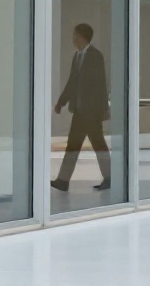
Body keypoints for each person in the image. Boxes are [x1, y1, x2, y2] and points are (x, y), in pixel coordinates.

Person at [52, 23, 112, 192]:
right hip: (79, 111)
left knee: (98, 144)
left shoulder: (95, 56)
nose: (73, 39)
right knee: (73, 145)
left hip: (91, 112)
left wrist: (103, 109)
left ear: (82, 36)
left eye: (74, 35)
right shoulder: (77, 56)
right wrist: (61, 102)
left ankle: (109, 178)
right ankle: (63, 181)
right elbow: (72, 82)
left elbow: (101, 84)